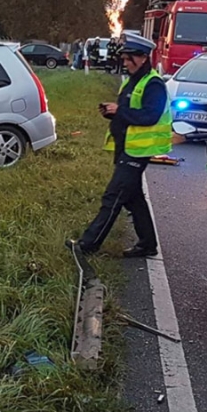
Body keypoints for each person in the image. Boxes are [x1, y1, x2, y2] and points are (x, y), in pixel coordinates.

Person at [66, 33, 173, 257]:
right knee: (133, 199)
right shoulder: (132, 81)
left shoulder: (153, 84)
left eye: (128, 59)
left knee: (113, 197)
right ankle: (147, 244)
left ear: (143, 57)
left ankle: (88, 245)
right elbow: (128, 112)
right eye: (123, 58)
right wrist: (111, 112)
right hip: (126, 147)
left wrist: (119, 111)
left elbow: (150, 117)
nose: (124, 63)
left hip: (137, 151)